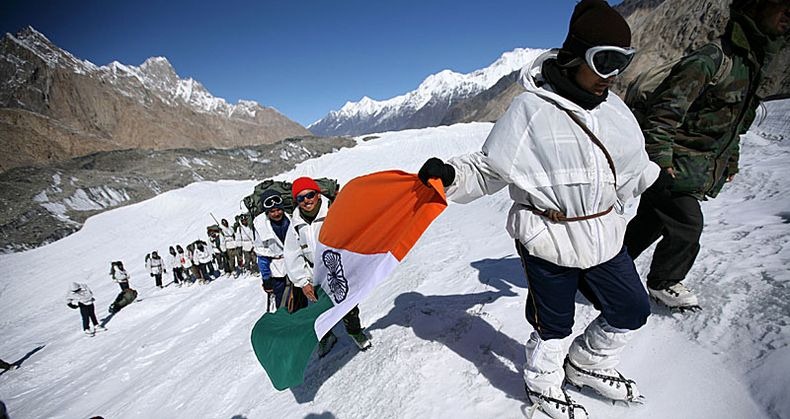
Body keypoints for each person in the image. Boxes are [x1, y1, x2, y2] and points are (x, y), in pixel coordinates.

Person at [418, 1, 658, 416]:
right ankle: (543, 382)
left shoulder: (614, 109)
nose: (611, 76)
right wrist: (449, 176)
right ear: (574, 56)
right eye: (604, 61)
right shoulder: (531, 110)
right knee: (554, 325)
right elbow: (489, 168)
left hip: (604, 234)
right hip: (548, 238)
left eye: (621, 62)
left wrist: (662, 178)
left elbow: (633, 164)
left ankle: (589, 363)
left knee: (633, 308)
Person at [623, 0, 789, 310]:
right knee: (687, 223)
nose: (787, 15)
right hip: (673, 164)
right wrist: (661, 160)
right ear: (756, 7)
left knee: (651, 221)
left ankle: (606, 270)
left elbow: (733, 123)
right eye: (781, 5)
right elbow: (663, 114)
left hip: (695, 165)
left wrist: (732, 157)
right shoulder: (711, 60)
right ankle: (663, 282)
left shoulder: (752, 62)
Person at [284, 176, 372, 357]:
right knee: (320, 309)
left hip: (338, 268)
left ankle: (355, 331)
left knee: (348, 304)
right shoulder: (295, 223)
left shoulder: (333, 210)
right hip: (314, 274)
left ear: (317, 194)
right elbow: (292, 254)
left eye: (310, 195)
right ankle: (327, 336)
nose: (306, 200)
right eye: (300, 198)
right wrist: (302, 281)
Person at [253, 189, 293, 309]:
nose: (276, 214)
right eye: (272, 211)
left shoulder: (291, 220)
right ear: (267, 212)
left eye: (279, 209)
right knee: (282, 302)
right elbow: (262, 255)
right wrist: (266, 279)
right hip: (277, 270)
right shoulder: (261, 227)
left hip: (295, 265)